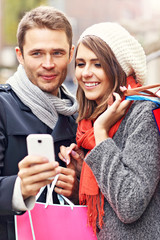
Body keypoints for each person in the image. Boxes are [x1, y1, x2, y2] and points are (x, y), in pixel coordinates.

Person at [59, 22, 160, 239]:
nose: (86, 73)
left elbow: (130, 204)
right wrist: (80, 168)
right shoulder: (89, 121)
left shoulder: (143, 114)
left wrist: (102, 133)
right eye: (80, 63)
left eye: (97, 64)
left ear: (119, 68)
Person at [0, 6, 79, 240]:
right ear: (20, 55)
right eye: (36, 54)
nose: (48, 63)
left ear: (71, 53)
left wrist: (77, 190)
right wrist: (19, 187)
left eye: (57, 53)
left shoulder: (77, 114)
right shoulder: (3, 106)